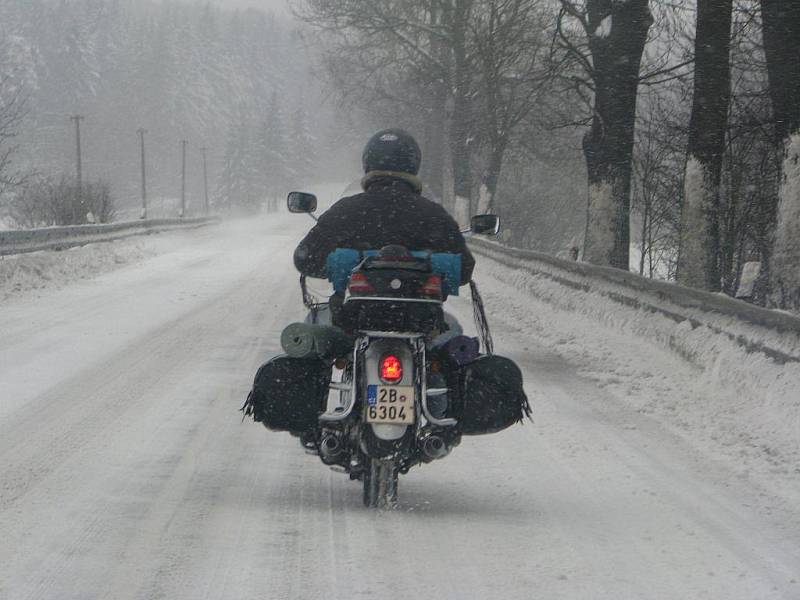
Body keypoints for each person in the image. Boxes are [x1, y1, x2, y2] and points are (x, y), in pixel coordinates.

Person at [293, 129, 475, 286]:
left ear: (368, 163)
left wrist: (343, 262)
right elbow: (464, 269)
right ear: (413, 164)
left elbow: (304, 258)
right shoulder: (434, 214)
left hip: (351, 319)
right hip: (423, 322)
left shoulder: (345, 211)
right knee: (453, 327)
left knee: (315, 323)